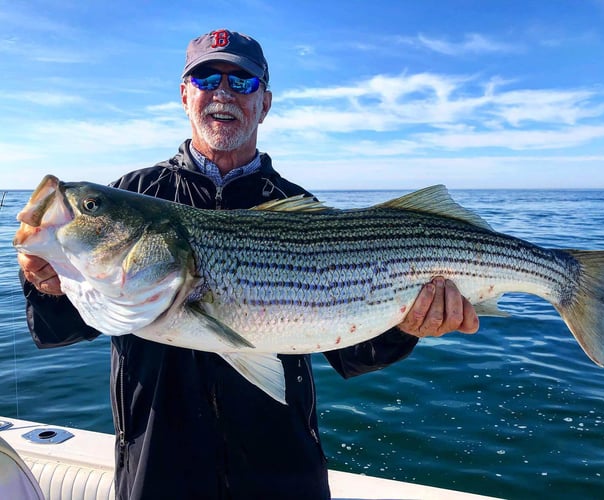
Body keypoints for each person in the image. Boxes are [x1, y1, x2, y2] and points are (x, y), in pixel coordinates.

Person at [17, 29, 478, 500]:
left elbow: (353, 354)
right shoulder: (137, 194)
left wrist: (409, 326)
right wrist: (49, 284)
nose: (222, 91)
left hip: (281, 468)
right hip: (158, 466)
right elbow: (62, 329)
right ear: (184, 95)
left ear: (265, 103)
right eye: (205, 78)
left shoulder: (300, 207)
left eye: (243, 81)